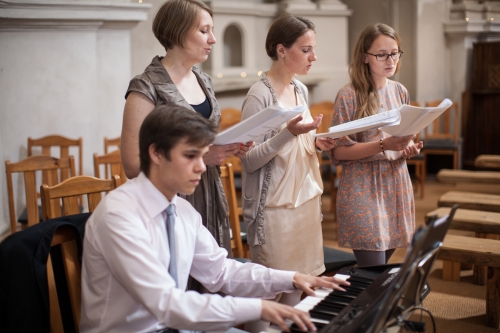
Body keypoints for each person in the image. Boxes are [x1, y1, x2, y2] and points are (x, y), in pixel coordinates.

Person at [80, 105, 349, 333]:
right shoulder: (119, 216)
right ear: (156, 153)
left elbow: (221, 272)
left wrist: (292, 278)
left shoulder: (182, 211)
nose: (201, 166)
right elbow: (165, 303)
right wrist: (259, 307)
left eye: (202, 155)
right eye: (190, 156)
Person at [121, 0, 252, 257]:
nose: (213, 39)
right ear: (178, 32)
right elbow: (133, 166)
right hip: (168, 202)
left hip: (209, 194)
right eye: (204, 31)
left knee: (214, 275)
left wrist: (231, 144)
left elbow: (206, 140)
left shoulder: (204, 80)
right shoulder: (145, 87)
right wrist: (204, 155)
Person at [239, 14, 335, 331]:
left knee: (299, 288)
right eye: (305, 49)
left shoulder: (300, 89)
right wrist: (289, 134)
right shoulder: (259, 95)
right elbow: (249, 160)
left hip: (304, 203)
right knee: (272, 293)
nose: (313, 57)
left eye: (313, 49)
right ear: (282, 50)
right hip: (274, 210)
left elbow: (300, 145)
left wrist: (320, 142)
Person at [328, 23, 423, 267]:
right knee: (373, 272)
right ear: (364, 57)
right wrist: (384, 145)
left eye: (395, 52)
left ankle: (356, 296)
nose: (390, 60)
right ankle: (350, 299)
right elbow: (338, 151)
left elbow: (403, 137)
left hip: (396, 183)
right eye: (381, 54)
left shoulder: (400, 91)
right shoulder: (349, 95)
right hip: (363, 186)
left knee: (378, 273)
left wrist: (407, 147)